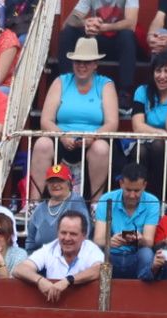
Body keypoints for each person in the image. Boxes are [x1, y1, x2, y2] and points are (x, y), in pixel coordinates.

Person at [29, 37, 117, 202]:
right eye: (78, 61)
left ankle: (96, 205)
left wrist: (92, 136)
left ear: (95, 64)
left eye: (87, 62)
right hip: (61, 138)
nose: (82, 66)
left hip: (92, 141)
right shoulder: (60, 81)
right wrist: (62, 135)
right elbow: (46, 120)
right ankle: (33, 202)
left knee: (101, 148)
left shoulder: (105, 84)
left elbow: (112, 122)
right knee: (42, 143)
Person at [57, 0, 138, 109]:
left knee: (127, 34)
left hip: (117, 42)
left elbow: (131, 23)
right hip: (95, 40)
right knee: (68, 31)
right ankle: (67, 86)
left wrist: (105, 27)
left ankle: (125, 93)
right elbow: (69, 21)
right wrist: (86, 23)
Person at [131, 49, 167, 194]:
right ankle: (139, 198)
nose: (162, 76)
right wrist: (162, 133)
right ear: (152, 73)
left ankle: (158, 199)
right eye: (158, 71)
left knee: (158, 145)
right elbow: (137, 126)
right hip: (145, 141)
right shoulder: (142, 91)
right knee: (140, 151)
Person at [12, 212, 103, 301]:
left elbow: (101, 269)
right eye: (63, 233)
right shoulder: (50, 248)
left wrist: (68, 281)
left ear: (84, 235)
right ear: (57, 232)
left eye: (73, 234)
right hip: (53, 306)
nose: (67, 238)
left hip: (84, 305)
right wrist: (40, 280)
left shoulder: (91, 249)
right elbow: (19, 269)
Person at [91, 163, 160, 279]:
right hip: (111, 254)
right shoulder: (106, 199)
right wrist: (110, 241)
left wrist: (139, 240)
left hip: (135, 255)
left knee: (147, 254)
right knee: (97, 254)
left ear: (144, 186)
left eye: (137, 190)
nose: (132, 195)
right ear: (121, 183)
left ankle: (144, 295)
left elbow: (149, 242)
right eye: (128, 190)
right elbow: (98, 240)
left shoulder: (152, 202)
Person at [24, 163, 90, 254]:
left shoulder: (76, 202)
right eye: (51, 181)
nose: (55, 185)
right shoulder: (40, 208)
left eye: (60, 181)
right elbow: (30, 241)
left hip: (69, 259)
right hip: (40, 261)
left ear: (70, 183)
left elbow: (85, 234)